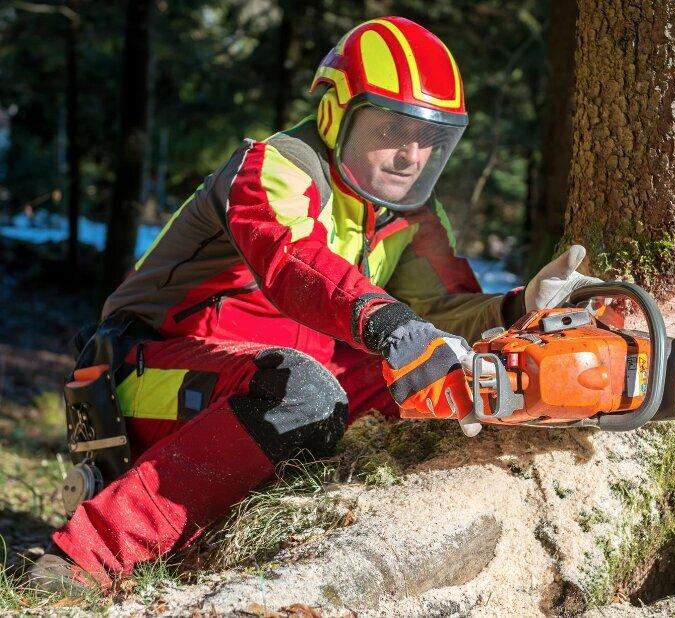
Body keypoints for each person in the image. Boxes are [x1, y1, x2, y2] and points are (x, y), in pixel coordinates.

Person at [27, 16, 599, 593]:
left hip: (278, 383)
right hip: (143, 373)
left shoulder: (415, 216)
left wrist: (518, 309)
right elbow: (292, 261)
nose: (411, 155)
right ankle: (82, 561)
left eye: (428, 137)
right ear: (334, 114)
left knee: (441, 378)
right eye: (391, 129)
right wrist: (388, 323)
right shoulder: (273, 167)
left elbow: (439, 311)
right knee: (301, 389)